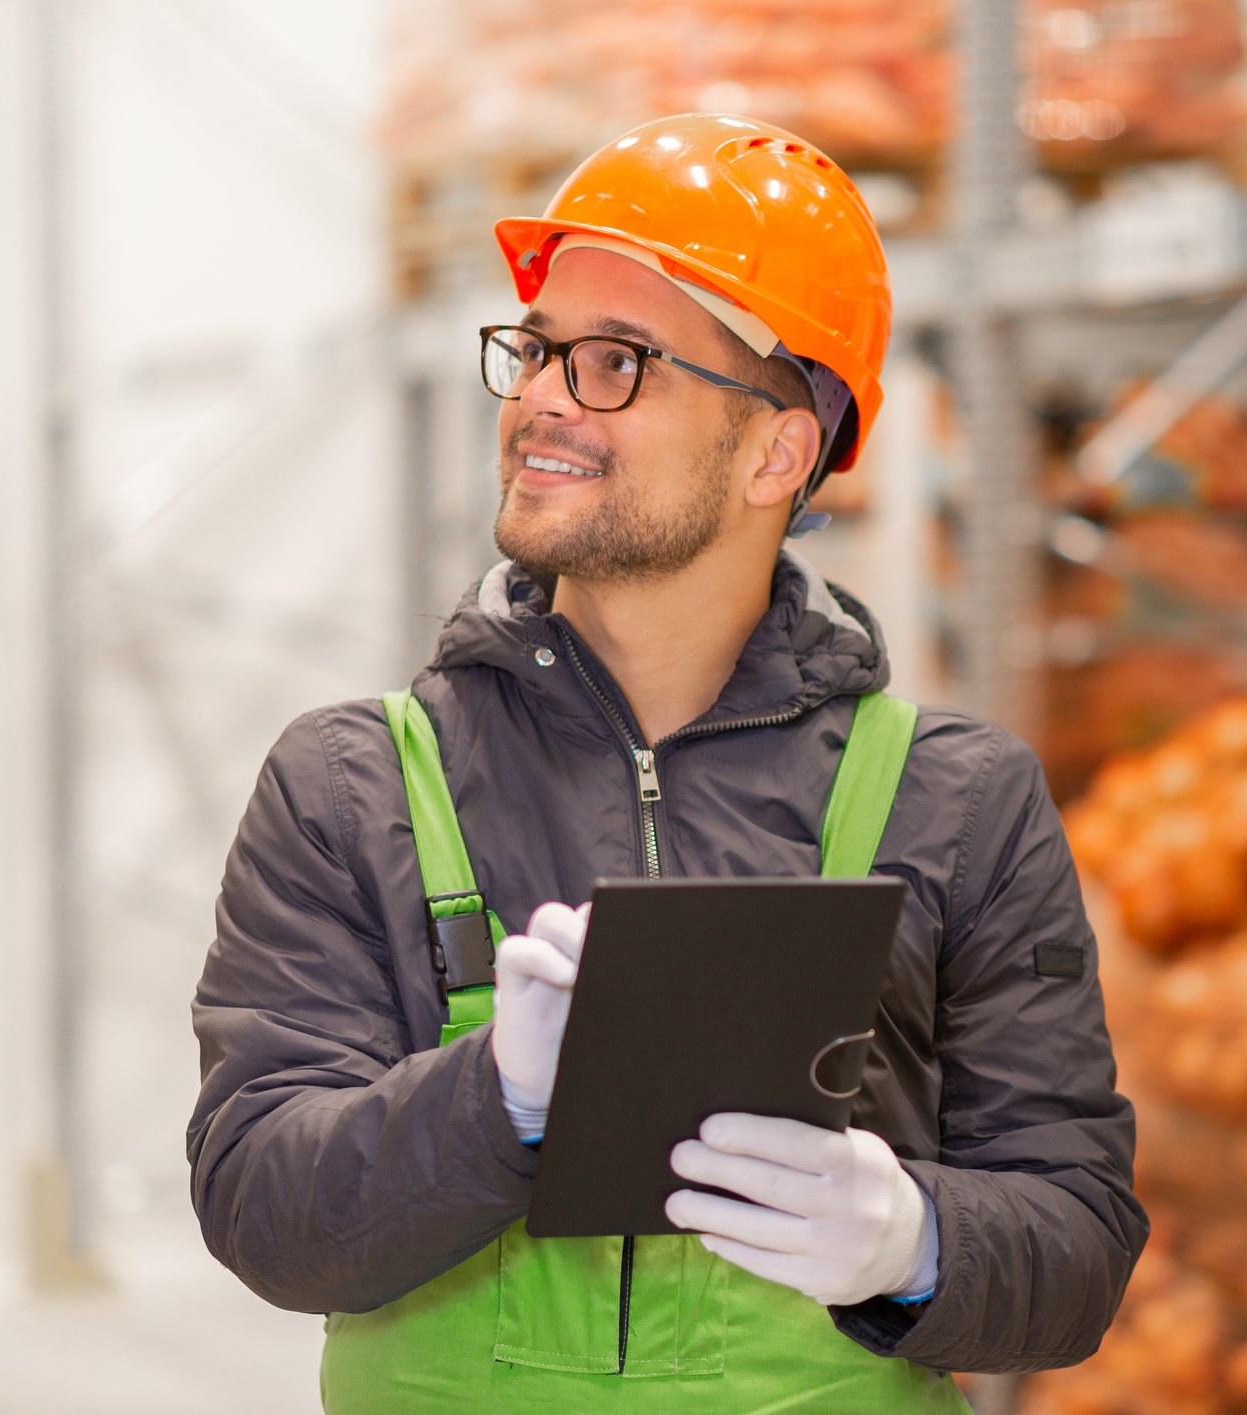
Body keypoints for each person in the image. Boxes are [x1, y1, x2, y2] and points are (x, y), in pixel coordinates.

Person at [188, 112, 1145, 1413]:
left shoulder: (957, 802)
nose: (540, 399)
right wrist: (495, 1100)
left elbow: (1078, 1245)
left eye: (616, 362)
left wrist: (910, 1242)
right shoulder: (356, 781)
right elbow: (262, 1207)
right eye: (534, 350)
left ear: (778, 450)